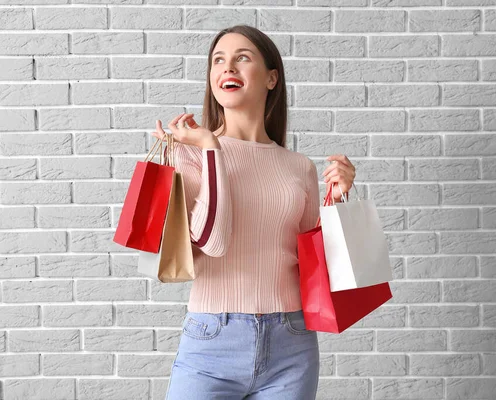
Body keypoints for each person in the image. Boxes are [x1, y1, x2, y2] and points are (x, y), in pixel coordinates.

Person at [150, 25, 356, 400]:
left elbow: (319, 267)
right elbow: (210, 242)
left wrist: (336, 200)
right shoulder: (188, 153)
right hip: (211, 341)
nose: (227, 67)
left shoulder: (299, 166)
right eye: (218, 60)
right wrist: (211, 148)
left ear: (271, 77)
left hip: (291, 344)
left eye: (242, 58)